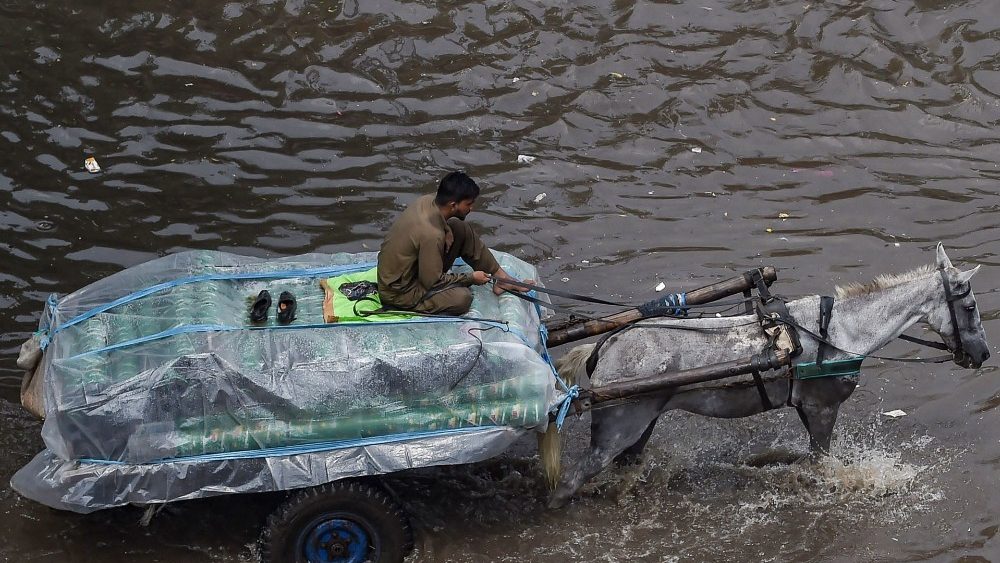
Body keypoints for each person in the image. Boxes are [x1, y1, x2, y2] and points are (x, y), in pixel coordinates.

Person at [377, 171, 528, 315]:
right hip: (399, 292)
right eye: (468, 204)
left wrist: (446, 228)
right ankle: (407, 305)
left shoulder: (427, 201)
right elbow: (432, 282)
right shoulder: (432, 235)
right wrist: (471, 278)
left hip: (411, 270)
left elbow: (438, 223)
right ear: (453, 205)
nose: (471, 208)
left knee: (459, 227)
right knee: (462, 298)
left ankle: (502, 279)